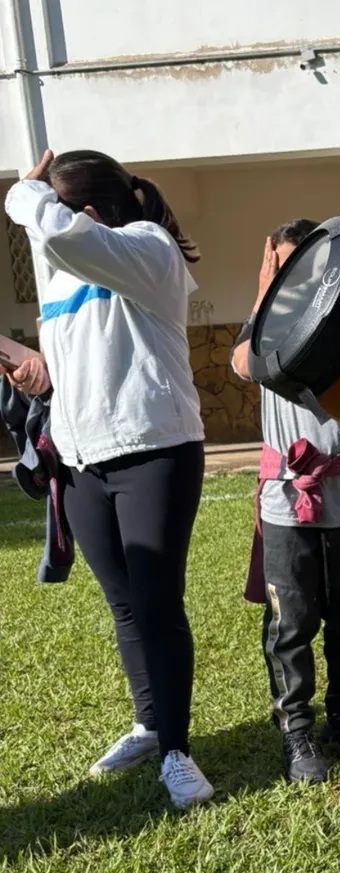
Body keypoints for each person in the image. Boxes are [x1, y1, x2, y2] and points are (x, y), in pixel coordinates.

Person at [4, 149, 212, 809]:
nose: (41, 229)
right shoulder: (67, 273)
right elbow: (82, 358)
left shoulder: (149, 249)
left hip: (155, 449)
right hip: (83, 457)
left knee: (156, 603)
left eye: (53, 214)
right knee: (123, 604)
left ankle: (178, 752)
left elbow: (61, 233)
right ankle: (149, 727)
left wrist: (22, 195)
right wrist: (41, 371)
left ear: (91, 211)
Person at [231, 220, 340, 784]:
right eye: (280, 269)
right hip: (285, 503)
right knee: (291, 620)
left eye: (298, 265)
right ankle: (296, 731)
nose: (290, 279)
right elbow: (241, 364)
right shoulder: (263, 334)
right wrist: (262, 292)